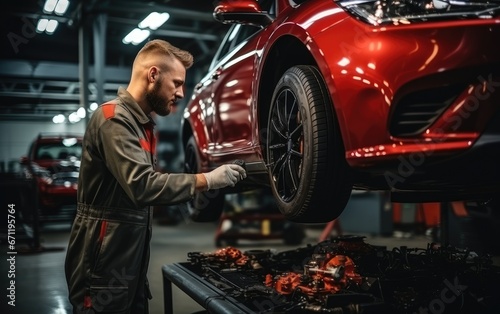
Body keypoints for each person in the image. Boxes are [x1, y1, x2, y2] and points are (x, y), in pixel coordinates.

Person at [64, 39, 246, 314]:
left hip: (129, 263)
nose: (182, 93)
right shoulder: (113, 119)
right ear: (153, 76)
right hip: (102, 265)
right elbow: (143, 185)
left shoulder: (142, 124)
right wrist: (207, 179)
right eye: (177, 83)